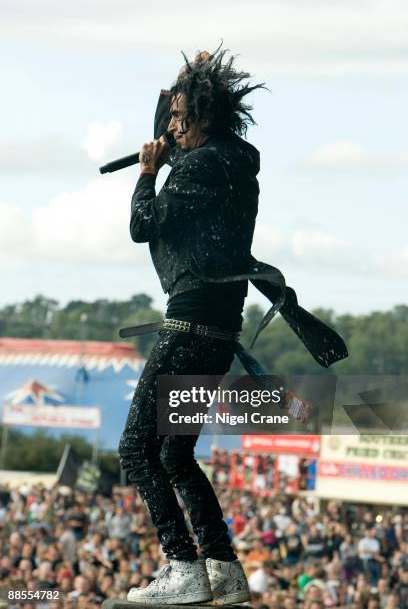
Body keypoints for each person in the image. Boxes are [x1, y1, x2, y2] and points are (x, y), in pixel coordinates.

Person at [118, 46, 263, 604]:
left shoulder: (200, 166)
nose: (171, 127)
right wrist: (184, 83)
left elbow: (143, 223)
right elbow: (176, 132)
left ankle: (181, 565)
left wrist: (147, 173)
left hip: (187, 328)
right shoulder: (231, 162)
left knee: (136, 450)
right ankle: (223, 568)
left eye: (180, 117)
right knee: (175, 454)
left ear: (203, 117)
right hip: (219, 332)